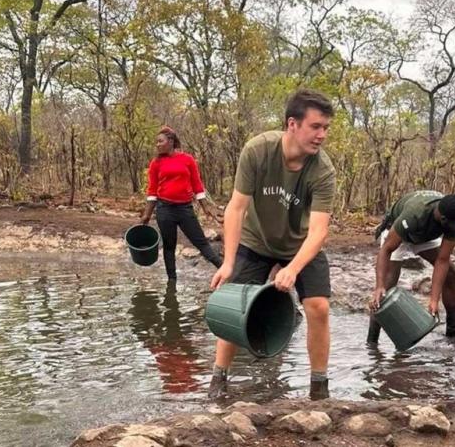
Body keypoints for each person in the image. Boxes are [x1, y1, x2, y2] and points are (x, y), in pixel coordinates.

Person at [208, 89, 336, 400]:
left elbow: (319, 231)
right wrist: (228, 262)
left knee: (318, 307)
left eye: (325, 128)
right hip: (256, 239)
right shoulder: (258, 151)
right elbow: (236, 208)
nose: (321, 135)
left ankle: (319, 388)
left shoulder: (322, 170)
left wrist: (292, 268)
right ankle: (218, 380)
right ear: (293, 124)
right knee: (235, 304)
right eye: (315, 126)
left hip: (300, 243)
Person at [368, 191, 455, 343]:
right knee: (387, 288)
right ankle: (372, 341)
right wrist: (379, 286)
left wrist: (434, 300)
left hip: (424, 234)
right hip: (398, 230)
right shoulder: (414, 214)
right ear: (443, 219)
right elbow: (387, 250)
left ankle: (454, 331)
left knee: (451, 272)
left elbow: (442, 260)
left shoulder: (453, 220)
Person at [140, 126, 223, 282]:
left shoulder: (187, 160)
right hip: (164, 210)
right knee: (169, 247)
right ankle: (171, 283)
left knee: (202, 243)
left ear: (170, 141)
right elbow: (152, 192)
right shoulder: (156, 163)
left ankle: (227, 272)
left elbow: (197, 185)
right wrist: (146, 215)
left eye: (160, 141)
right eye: (156, 142)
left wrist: (206, 207)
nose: (157, 145)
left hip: (185, 209)